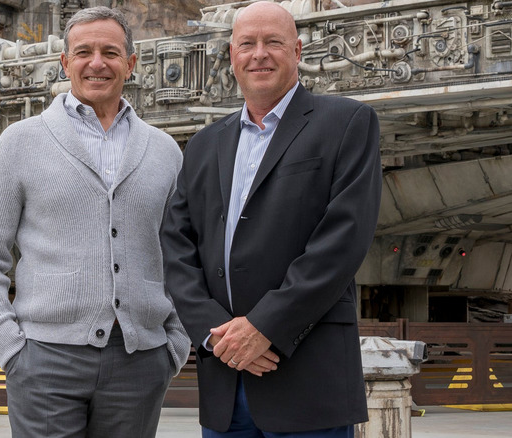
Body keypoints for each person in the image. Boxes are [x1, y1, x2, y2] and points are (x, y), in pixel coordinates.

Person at [0, 6, 190, 438]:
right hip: (44, 360)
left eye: (110, 52)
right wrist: (11, 349)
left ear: (131, 64)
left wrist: (174, 345)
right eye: (83, 51)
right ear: (65, 62)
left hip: (140, 362)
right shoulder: (21, 142)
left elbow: (181, 255)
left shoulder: (164, 151)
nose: (97, 62)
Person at [161, 2, 382, 437]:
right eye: (247, 43)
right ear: (231, 56)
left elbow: (342, 240)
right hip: (226, 377)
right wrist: (215, 335)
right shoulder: (204, 144)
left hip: (307, 377)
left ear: (297, 50)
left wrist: (265, 327)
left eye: (273, 42)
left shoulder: (347, 122)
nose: (259, 53)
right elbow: (176, 245)